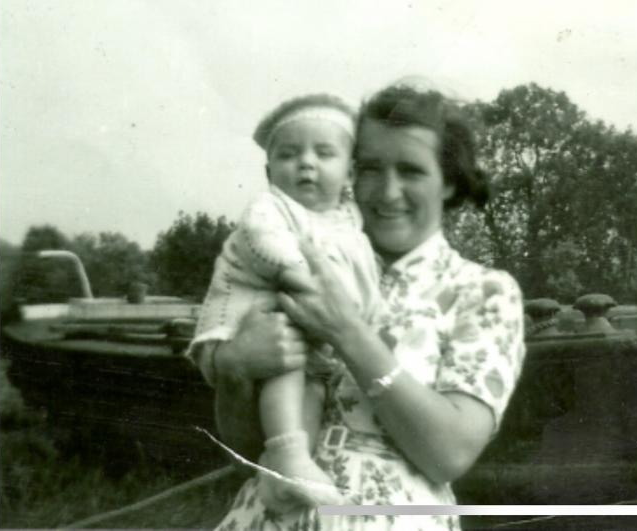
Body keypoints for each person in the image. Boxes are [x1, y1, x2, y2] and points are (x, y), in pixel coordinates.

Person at [208, 82, 528, 531]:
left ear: (450, 183)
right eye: (371, 169)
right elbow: (244, 447)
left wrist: (348, 331)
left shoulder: (483, 291)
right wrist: (237, 368)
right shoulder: (297, 262)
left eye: (411, 171)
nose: (386, 191)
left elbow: (449, 454)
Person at [188, 94, 383, 510]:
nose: (306, 163)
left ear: (349, 171)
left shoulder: (350, 222)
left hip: (315, 331)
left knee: (309, 390)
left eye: (324, 153)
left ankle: (288, 471)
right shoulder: (271, 206)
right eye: (289, 155)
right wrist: (300, 277)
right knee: (287, 358)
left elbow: (364, 277)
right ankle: (288, 455)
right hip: (257, 307)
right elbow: (263, 245)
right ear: (269, 171)